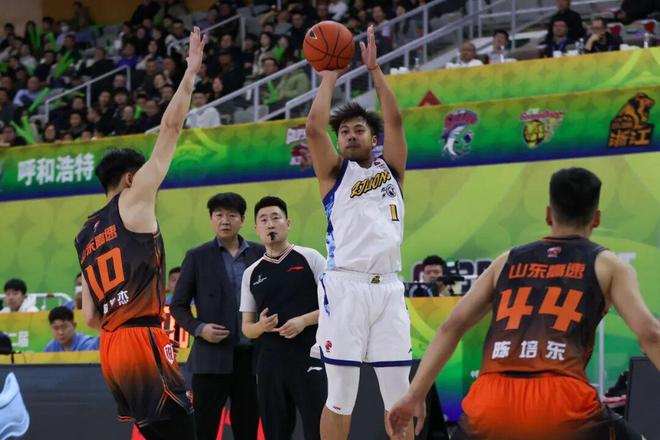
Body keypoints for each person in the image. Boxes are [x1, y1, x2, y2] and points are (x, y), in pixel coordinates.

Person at [388, 167, 660, 440]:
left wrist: (415, 395)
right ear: (597, 218)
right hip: (561, 402)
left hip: (489, 402)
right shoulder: (608, 264)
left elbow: (451, 326)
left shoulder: (506, 260)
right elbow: (650, 334)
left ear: (548, 215)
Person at [73, 27, 207, 440]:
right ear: (130, 178)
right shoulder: (133, 199)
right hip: (141, 337)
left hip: (111, 347)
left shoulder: (84, 234)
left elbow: (90, 317)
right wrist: (190, 73)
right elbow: (170, 129)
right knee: (185, 432)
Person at [304, 25, 414, 440]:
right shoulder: (335, 174)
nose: (350, 135)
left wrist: (375, 70)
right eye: (344, 132)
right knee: (341, 397)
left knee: (400, 399)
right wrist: (329, 75)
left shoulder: (392, 170)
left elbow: (396, 119)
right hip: (345, 288)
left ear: (373, 138)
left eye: (358, 130)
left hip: (389, 289)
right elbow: (313, 129)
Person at [170, 192, 265, 440]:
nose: (225, 221)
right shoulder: (197, 256)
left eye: (232, 215)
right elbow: (178, 305)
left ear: (242, 220)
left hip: (252, 360)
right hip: (210, 360)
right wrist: (199, 328)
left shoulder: (260, 254)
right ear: (211, 219)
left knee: (247, 429)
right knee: (204, 430)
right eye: (219, 215)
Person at [240, 196, 327, 440]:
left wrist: (303, 321)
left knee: (318, 428)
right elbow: (246, 328)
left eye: (275, 218)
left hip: (310, 355)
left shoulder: (311, 258)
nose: (270, 224)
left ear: (288, 223)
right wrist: (261, 326)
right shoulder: (251, 273)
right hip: (270, 362)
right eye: (263, 220)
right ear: (256, 228)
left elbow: (335, 307)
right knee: (275, 432)